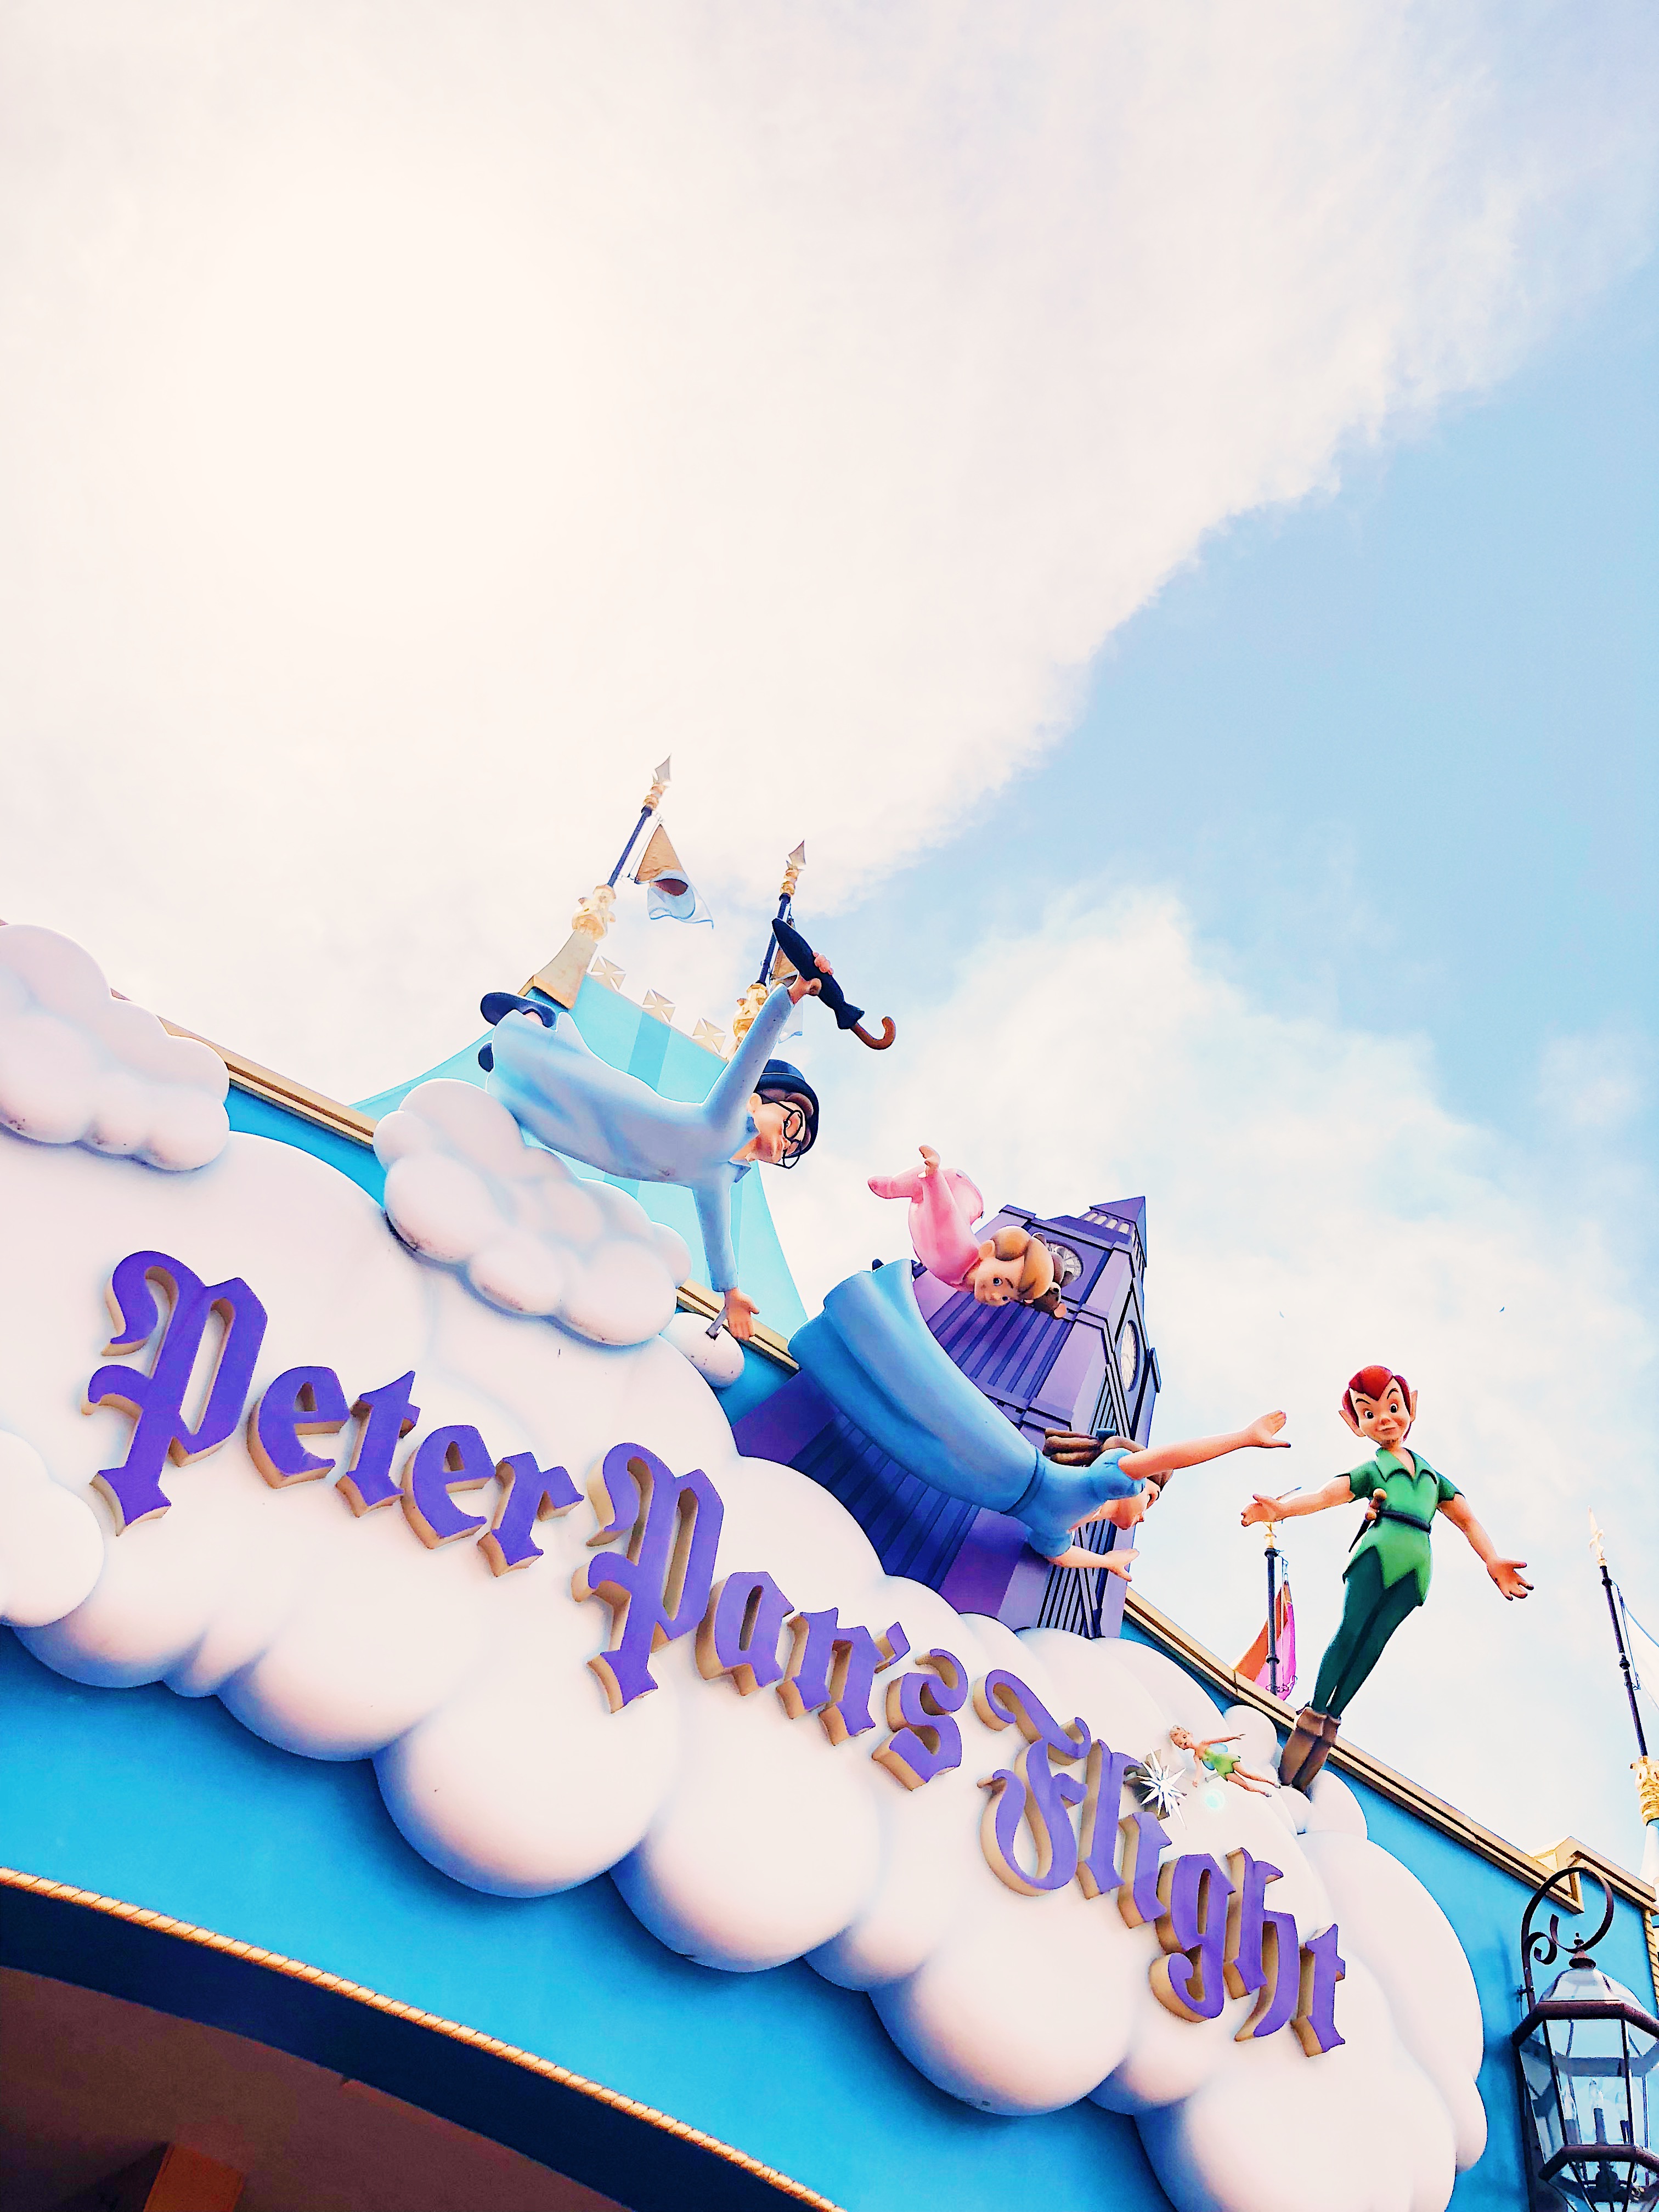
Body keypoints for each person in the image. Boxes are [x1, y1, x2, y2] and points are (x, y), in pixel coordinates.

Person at [478, 960, 830, 1341]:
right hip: (620, 1104)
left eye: (795, 1148)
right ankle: (533, 1020)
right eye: (793, 1124)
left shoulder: (717, 1179)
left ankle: (503, 1070)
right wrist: (793, 994)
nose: (789, 1141)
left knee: (556, 1125)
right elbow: (756, 1047)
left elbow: (718, 1239)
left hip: (610, 1151)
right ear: (758, 1101)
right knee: (569, 1076)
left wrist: (731, 1295)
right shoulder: (725, 1116)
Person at [1241, 1364, 1531, 1791]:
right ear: (1355, 1424)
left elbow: (1467, 1520)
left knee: (1375, 1642)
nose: (1384, 1419)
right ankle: (1314, 1713)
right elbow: (1326, 1496)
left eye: (1393, 1407)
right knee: (1351, 1631)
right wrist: (1282, 1510)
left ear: (1411, 1407)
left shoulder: (1433, 1477)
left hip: (1416, 1566)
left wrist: (1492, 1560)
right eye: (1369, 1413)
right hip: (1376, 1554)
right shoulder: (1373, 1469)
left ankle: (1332, 1721)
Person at [867, 1146, 1059, 1311]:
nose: (996, 1296)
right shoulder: (959, 1249)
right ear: (987, 1251)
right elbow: (945, 1212)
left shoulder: (968, 1283)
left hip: (929, 1248)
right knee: (917, 1190)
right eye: (998, 1282)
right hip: (954, 1188)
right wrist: (933, 1176)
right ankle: (892, 1186)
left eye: (1006, 1298)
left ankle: (895, 1277)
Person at [1168, 1725, 1277, 1798]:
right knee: (1245, 1785)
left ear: (1189, 1734)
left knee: (1246, 1774)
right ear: (1182, 1748)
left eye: (1184, 1737)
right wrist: (1196, 1779)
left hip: (1227, 1759)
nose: (1185, 1742)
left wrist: (1233, 1737)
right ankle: (1262, 1792)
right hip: (1222, 1770)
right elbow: (1199, 1769)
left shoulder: (1204, 1743)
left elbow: (1220, 1740)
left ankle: (1270, 1781)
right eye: (1181, 1743)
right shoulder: (1196, 1757)